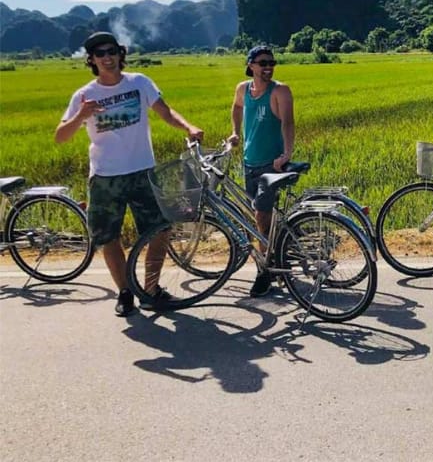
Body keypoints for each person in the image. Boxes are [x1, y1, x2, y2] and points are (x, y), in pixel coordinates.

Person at [55, 32, 203, 316]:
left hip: (142, 172)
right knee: (107, 236)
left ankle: (150, 289)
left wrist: (188, 127)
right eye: (100, 54)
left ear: (120, 54)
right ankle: (124, 292)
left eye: (111, 51)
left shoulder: (140, 83)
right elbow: (61, 136)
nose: (107, 57)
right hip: (105, 177)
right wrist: (80, 115)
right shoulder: (84, 95)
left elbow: (165, 111)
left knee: (161, 228)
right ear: (92, 60)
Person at [227, 45, 295, 296]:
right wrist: (235, 132)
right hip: (249, 162)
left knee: (260, 219)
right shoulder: (243, 89)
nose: (268, 67)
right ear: (251, 65)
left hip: (271, 164)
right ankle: (278, 254)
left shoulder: (280, 91)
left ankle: (264, 272)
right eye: (263, 63)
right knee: (261, 218)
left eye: (271, 63)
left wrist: (286, 154)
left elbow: (288, 122)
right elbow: (236, 107)